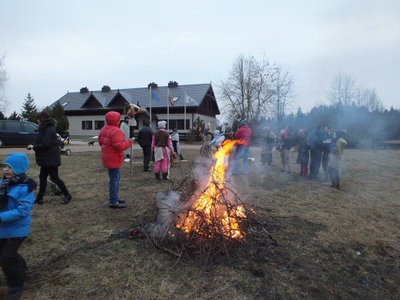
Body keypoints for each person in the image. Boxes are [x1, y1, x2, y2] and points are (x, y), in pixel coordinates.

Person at [0, 153, 37, 299]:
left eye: (10, 167)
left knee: (7, 257)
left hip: (16, 229)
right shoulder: (4, 183)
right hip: (3, 227)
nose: (6, 170)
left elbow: (22, 211)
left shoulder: (26, 188)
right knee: (5, 254)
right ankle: (21, 267)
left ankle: (16, 284)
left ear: (19, 169)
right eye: (5, 166)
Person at [27, 111, 72, 204]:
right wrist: (33, 144)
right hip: (46, 158)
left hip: (51, 158)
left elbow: (45, 144)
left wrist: (34, 147)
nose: (37, 121)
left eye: (38, 119)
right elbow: (42, 141)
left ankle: (67, 195)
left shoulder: (49, 129)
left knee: (55, 178)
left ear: (42, 119)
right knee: (42, 178)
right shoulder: (44, 129)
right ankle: (39, 198)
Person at [98, 111, 134, 209]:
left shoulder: (104, 129)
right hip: (114, 159)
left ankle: (115, 198)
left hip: (107, 158)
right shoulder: (116, 131)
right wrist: (129, 142)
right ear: (117, 120)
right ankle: (113, 201)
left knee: (115, 179)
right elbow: (119, 146)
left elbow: (100, 142)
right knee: (114, 180)